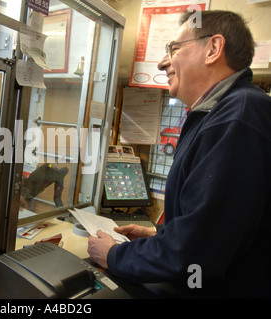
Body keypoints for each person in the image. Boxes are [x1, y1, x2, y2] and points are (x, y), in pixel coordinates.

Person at [87, 10, 271, 298]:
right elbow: (217, 227)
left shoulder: (238, 117)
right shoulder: (220, 113)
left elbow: (199, 251)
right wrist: (160, 235)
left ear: (213, 49)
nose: (163, 63)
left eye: (173, 49)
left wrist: (113, 256)